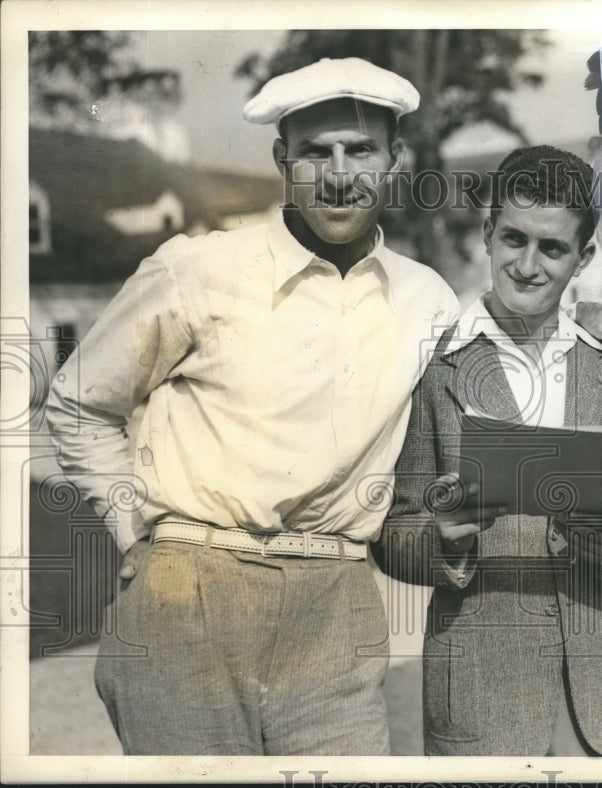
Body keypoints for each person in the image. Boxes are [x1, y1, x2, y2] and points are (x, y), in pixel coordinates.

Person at [44, 57, 463, 755]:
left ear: (395, 159)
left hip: (337, 607)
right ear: (282, 159)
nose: (338, 173)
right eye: (314, 152)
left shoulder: (428, 300)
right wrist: (130, 527)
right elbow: (79, 403)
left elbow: (505, 345)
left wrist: (594, 319)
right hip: (189, 597)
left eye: (359, 150)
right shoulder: (198, 271)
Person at [373, 145, 602, 757]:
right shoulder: (435, 370)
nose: (528, 265)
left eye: (553, 248)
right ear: (487, 235)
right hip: (483, 696)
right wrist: (447, 537)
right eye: (513, 239)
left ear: (583, 258)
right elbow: (392, 530)